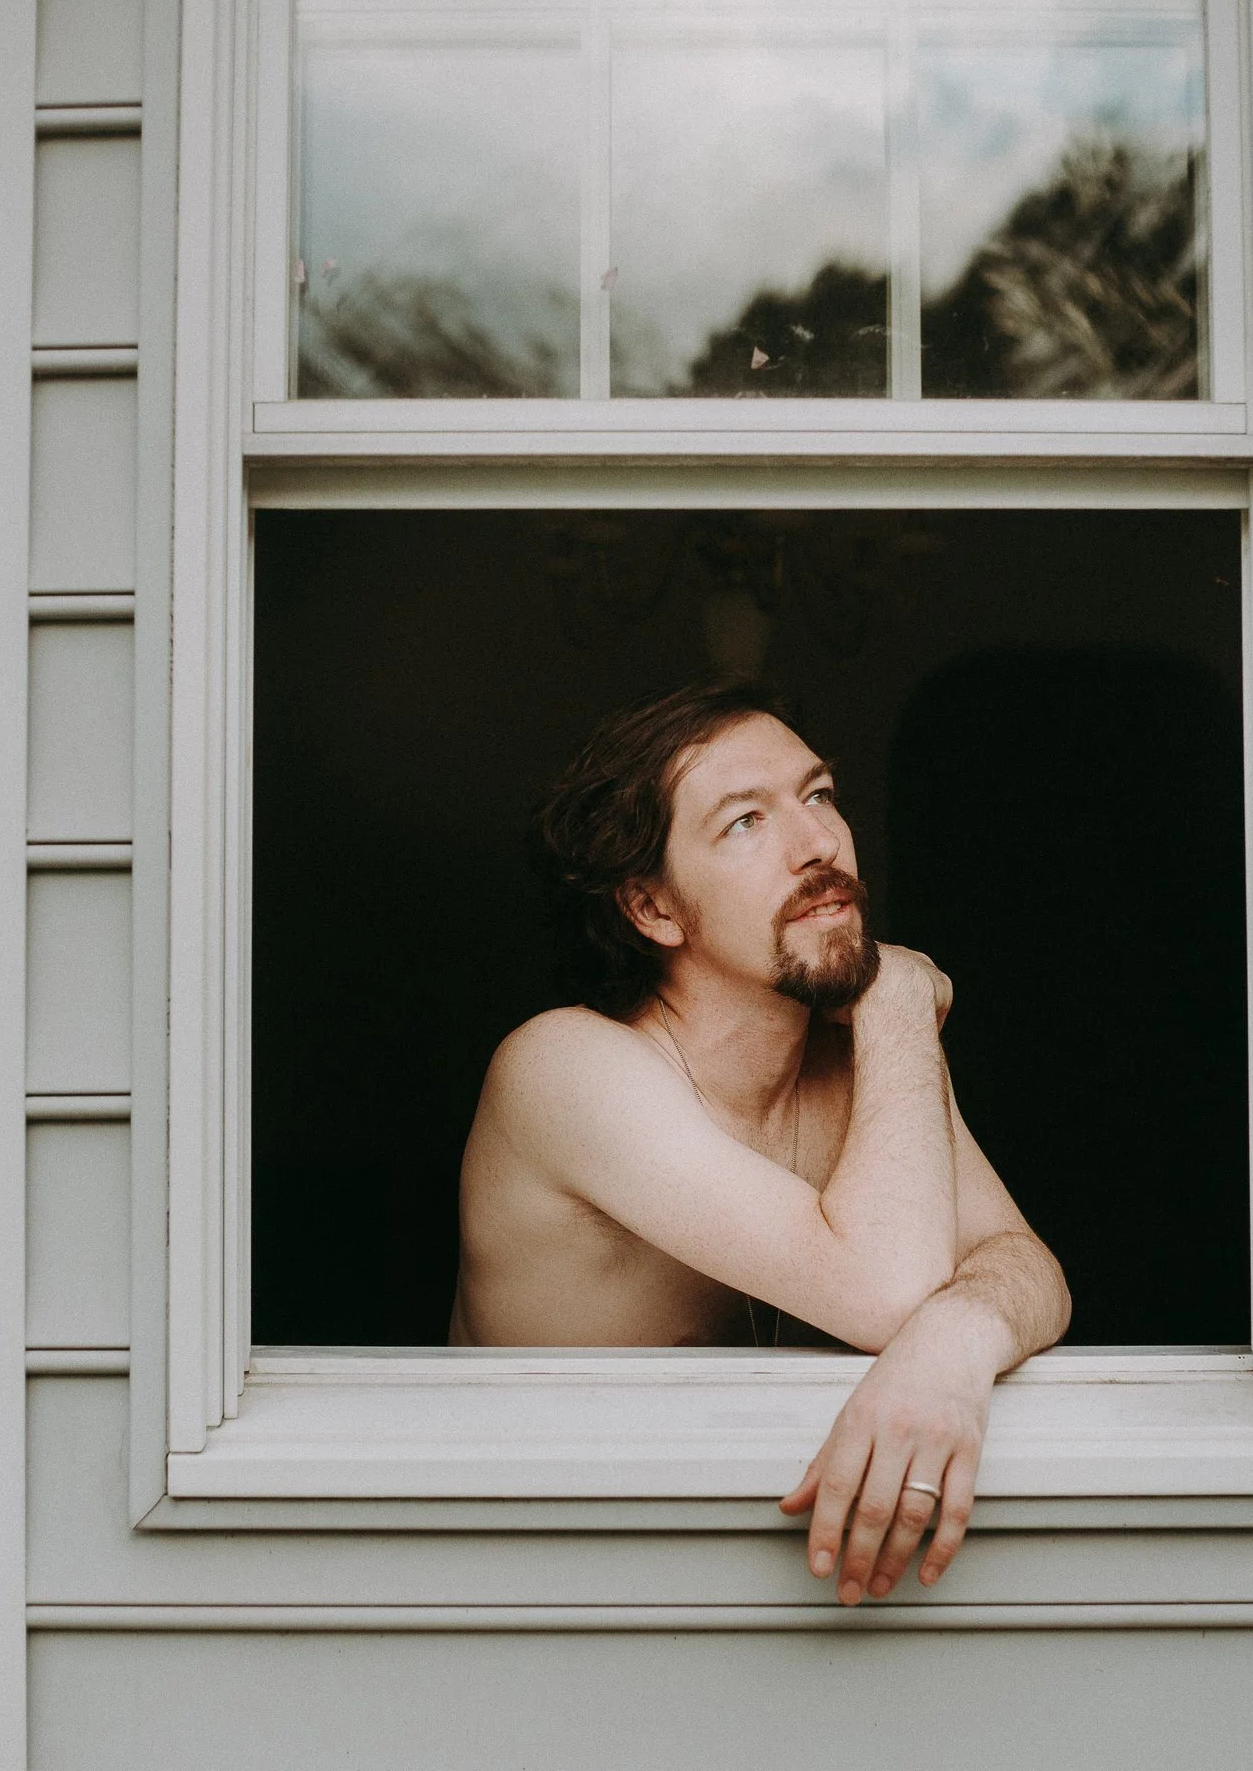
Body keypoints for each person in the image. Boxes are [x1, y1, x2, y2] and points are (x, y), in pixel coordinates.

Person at [452, 682, 1070, 1605]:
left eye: (818, 796)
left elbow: (1025, 1265)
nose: (818, 844)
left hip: (787, 1587)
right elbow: (886, 1288)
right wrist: (898, 993)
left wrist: (955, 1336)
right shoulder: (564, 1069)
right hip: (534, 1586)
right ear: (653, 909)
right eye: (745, 821)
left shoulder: (863, 1067)